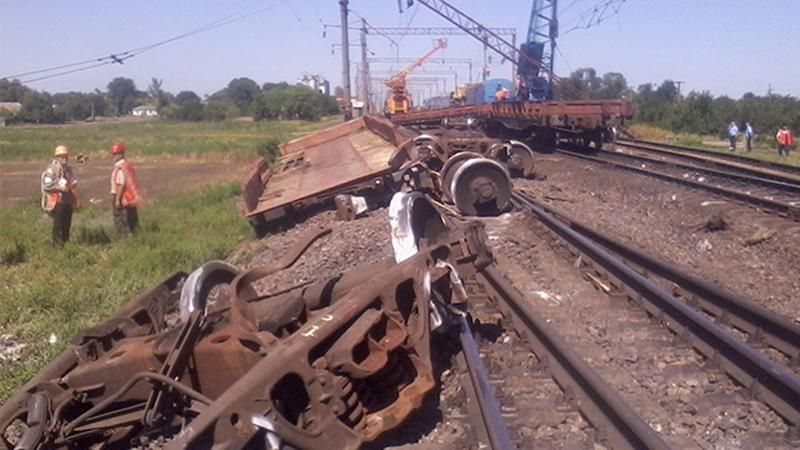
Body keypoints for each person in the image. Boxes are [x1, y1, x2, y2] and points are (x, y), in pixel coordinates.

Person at [41, 145, 79, 246]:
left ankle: (66, 244)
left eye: (65, 156)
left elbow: (73, 180)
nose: (64, 158)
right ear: (57, 157)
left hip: (68, 201)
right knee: (58, 224)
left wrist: (72, 184)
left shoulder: (69, 169)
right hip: (58, 201)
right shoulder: (52, 170)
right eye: (61, 156)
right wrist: (59, 187)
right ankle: (56, 245)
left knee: (67, 224)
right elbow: (47, 184)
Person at [110, 142, 143, 233]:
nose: (113, 156)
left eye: (115, 154)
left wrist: (117, 200)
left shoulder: (120, 167)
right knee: (133, 221)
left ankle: (125, 241)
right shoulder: (128, 166)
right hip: (131, 198)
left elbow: (121, 184)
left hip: (122, 198)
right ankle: (137, 238)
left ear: (120, 154)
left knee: (121, 222)